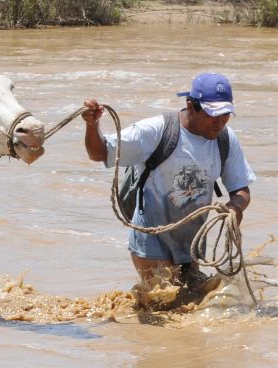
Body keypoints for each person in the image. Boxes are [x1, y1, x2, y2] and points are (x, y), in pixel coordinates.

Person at [81, 71, 255, 298]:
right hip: (152, 237)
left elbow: (241, 189)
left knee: (195, 302)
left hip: (192, 242)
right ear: (191, 106)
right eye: (213, 115)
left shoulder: (225, 138)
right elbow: (99, 152)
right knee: (163, 304)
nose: (220, 122)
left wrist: (235, 208)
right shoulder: (156, 131)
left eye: (225, 115)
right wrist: (92, 126)